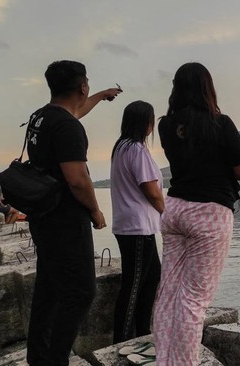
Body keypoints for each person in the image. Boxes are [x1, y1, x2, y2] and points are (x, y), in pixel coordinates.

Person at [152, 62, 240, 365]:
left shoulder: (165, 125)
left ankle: (164, 360)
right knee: (194, 300)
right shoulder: (220, 123)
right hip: (209, 213)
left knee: (168, 292)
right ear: (208, 87)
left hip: (175, 208)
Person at [25, 60, 122, 366]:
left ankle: (38, 357)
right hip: (65, 221)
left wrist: (103, 95)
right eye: (89, 85)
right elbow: (78, 179)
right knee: (81, 292)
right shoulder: (68, 127)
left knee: (49, 287)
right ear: (82, 86)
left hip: (43, 217)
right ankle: (56, 360)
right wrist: (95, 210)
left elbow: (76, 110)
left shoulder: (41, 117)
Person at [110, 101, 163, 343]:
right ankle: (121, 341)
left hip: (131, 225)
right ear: (146, 123)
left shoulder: (121, 146)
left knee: (152, 277)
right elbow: (151, 190)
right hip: (137, 227)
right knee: (134, 284)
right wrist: (168, 213)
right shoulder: (137, 150)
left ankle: (143, 333)